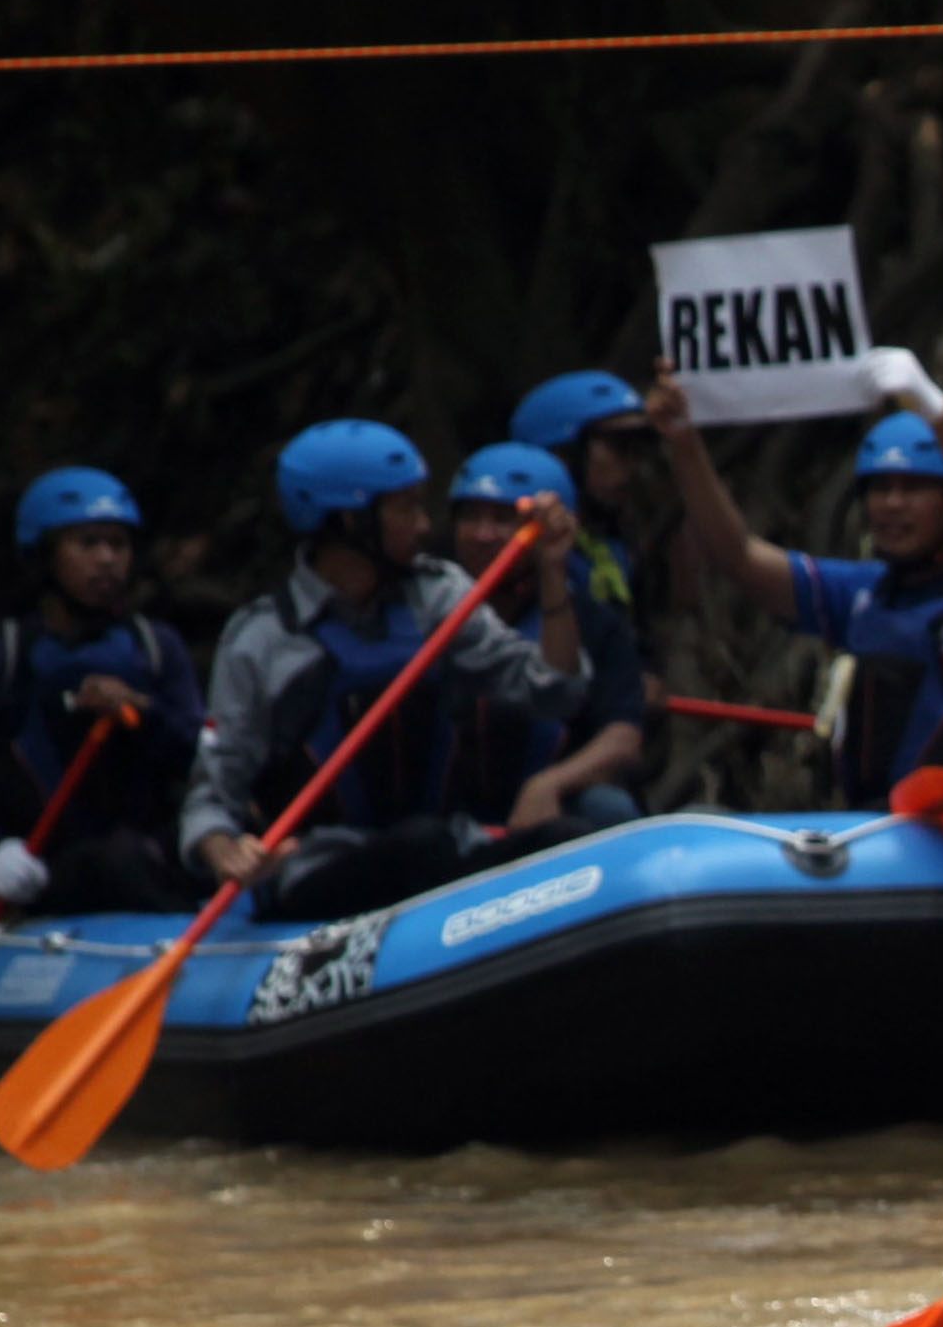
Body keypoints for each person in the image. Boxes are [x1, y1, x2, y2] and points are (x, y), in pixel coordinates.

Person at [181, 419, 593, 925]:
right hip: (323, 870)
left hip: (443, 849)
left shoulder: (437, 596)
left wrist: (553, 573)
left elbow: (555, 694)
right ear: (349, 522)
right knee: (419, 845)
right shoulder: (260, 640)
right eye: (405, 508)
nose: (423, 525)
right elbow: (212, 796)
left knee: (568, 840)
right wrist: (224, 851)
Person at [646, 343, 943, 834]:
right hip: (884, 834)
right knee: (702, 821)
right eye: (879, 488)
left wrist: (936, 412)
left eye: (913, 489)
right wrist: (683, 442)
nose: (891, 504)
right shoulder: (864, 596)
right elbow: (740, 557)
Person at [0, 468, 208, 918]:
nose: (106, 559)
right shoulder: (2, 660)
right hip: (58, 871)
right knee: (116, 857)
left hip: (154, 859)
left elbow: (200, 754)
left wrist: (143, 711)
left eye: (118, 544)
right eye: (87, 544)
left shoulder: (157, 649)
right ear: (47, 557)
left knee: (140, 854)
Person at [441, 442, 653, 841]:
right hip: (453, 817)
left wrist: (548, 785)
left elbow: (622, 738)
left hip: (551, 813)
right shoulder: (427, 612)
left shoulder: (594, 623)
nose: (484, 535)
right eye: (471, 517)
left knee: (608, 807)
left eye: (503, 520)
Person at [507, 369, 668, 678]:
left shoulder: (617, 542)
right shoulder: (515, 547)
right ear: (563, 454)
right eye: (620, 448)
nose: (634, 467)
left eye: (638, 450)